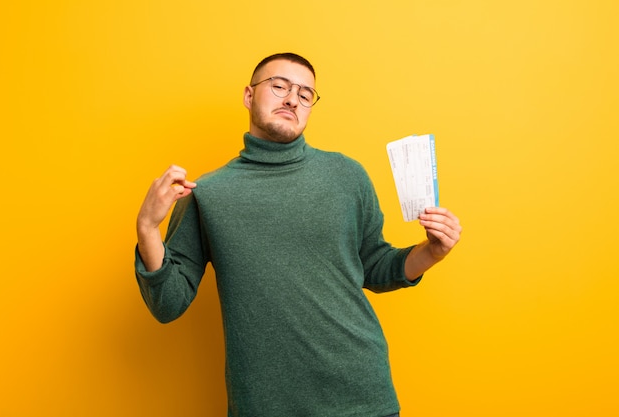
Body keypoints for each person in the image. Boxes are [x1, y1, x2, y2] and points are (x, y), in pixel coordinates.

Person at [135, 52, 462, 417]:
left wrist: (432, 252)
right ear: (248, 95)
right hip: (265, 404)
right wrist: (148, 229)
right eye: (279, 87)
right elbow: (169, 304)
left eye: (305, 94)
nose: (292, 98)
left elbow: (375, 267)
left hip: (362, 395)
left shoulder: (346, 175)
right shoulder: (208, 194)